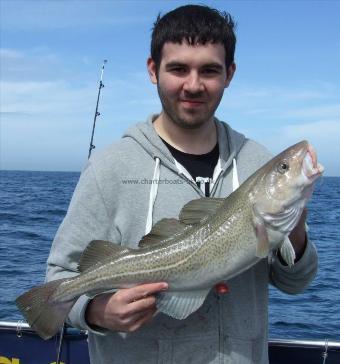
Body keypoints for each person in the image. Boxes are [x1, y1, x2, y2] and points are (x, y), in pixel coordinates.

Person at [46, 5, 318, 364]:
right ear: (152, 70)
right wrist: (96, 311)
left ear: (230, 73)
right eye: (178, 69)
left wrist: (293, 221)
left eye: (209, 70)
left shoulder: (255, 160)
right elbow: (59, 277)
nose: (193, 85)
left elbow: (295, 283)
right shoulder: (109, 167)